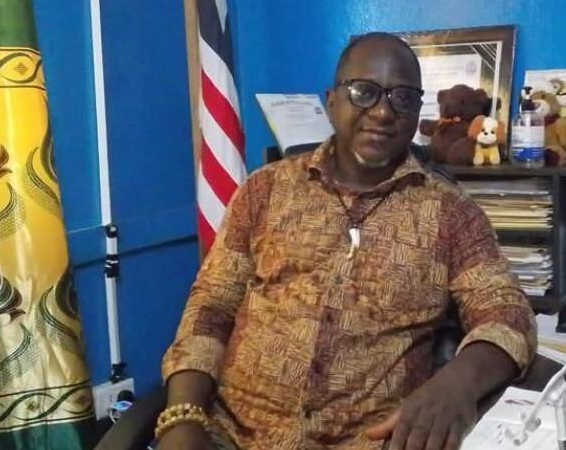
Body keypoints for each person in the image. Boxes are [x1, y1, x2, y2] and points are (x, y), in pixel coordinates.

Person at [158, 32, 537, 450]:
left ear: (417, 113)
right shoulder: (264, 191)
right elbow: (212, 304)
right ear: (332, 100)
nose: (383, 112)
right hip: (229, 436)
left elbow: (508, 314)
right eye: (364, 92)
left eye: (402, 98)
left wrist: (455, 385)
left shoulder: (452, 213)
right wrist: (183, 417)